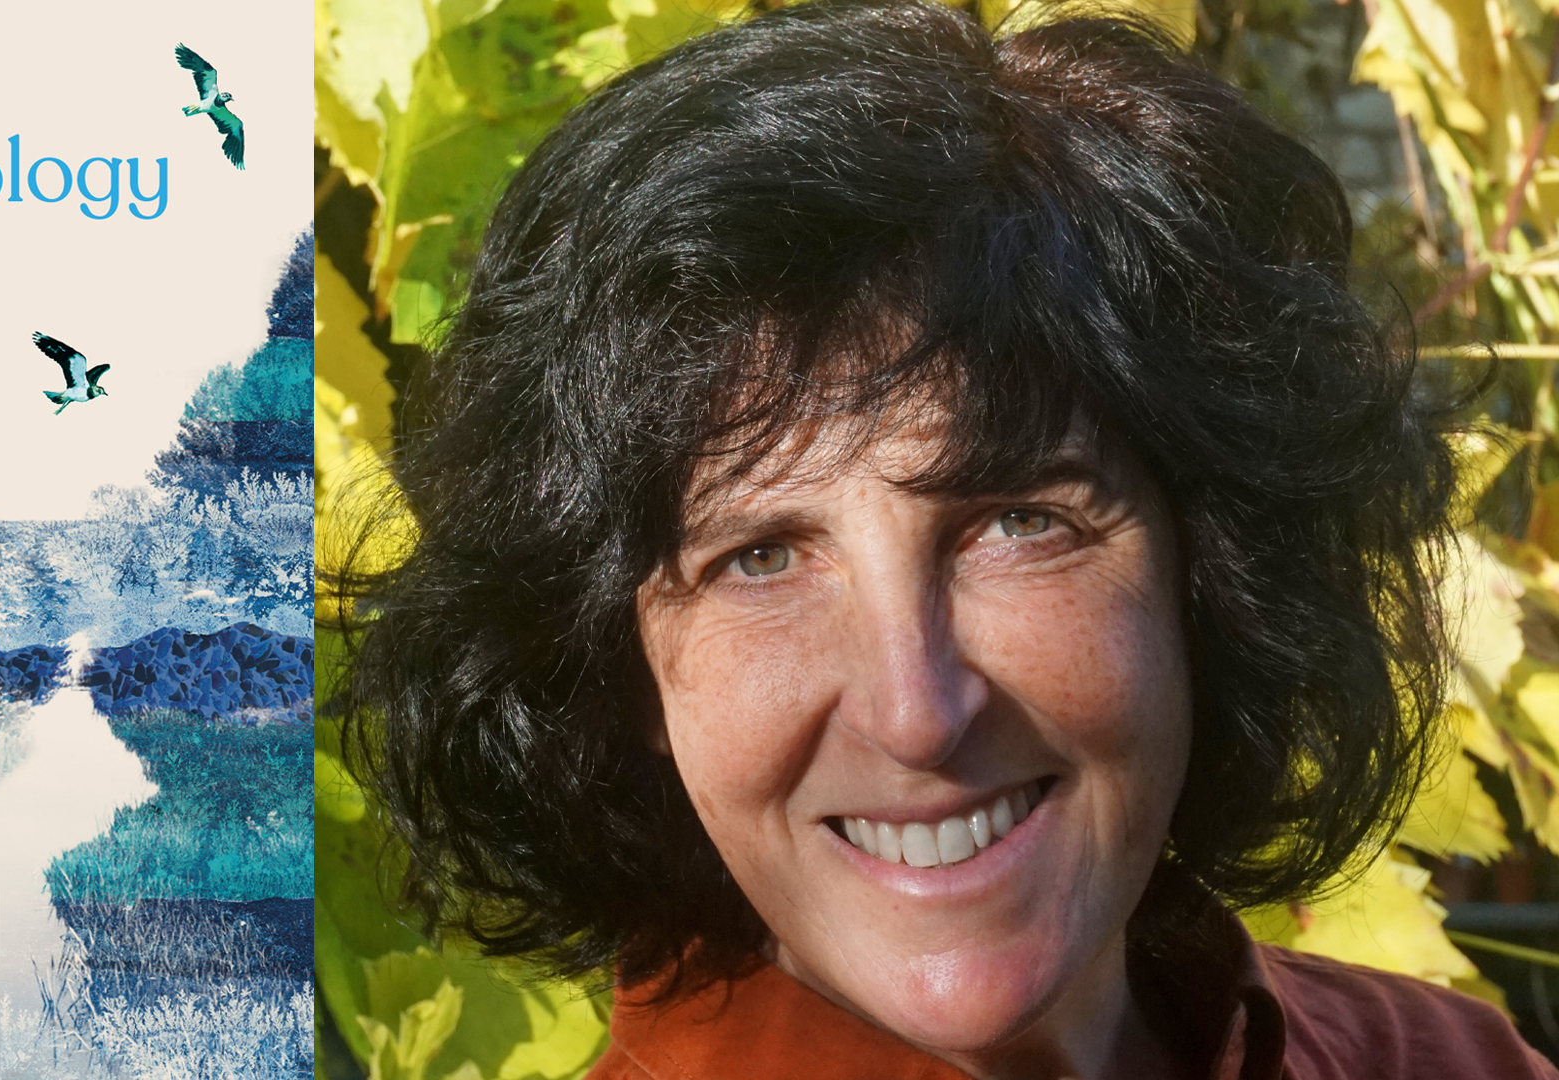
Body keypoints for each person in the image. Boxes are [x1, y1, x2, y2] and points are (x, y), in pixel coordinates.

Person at [338, 1, 1559, 1076]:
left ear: (1213, 574)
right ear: (626, 677)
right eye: (757, 556)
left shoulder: (1448, 1062)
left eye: (1018, 522)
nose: (916, 713)